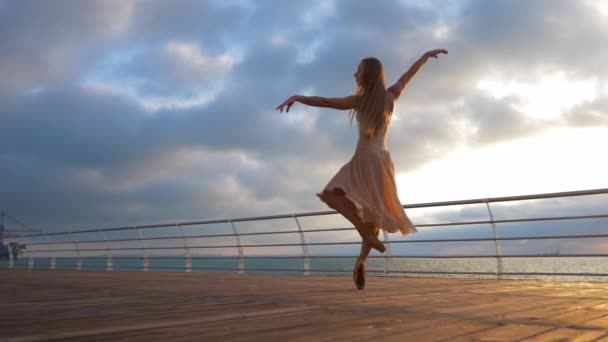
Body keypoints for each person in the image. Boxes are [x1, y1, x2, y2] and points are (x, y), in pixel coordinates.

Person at [277, 49, 448, 289]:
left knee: (330, 195)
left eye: (358, 70)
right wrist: (425, 56)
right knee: (374, 215)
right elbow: (408, 76)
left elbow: (326, 102)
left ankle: (365, 235)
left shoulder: (359, 101)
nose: (354, 74)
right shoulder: (391, 96)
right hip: (384, 160)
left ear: (367, 75)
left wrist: (297, 96)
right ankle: (361, 261)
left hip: (365, 156)